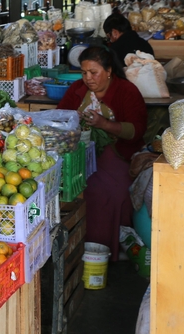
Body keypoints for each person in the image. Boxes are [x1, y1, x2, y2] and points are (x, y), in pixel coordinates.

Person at [57, 46, 148, 261]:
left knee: (112, 192)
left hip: (117, 152)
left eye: (94, 72)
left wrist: (104, 124)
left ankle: (112, 247)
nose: (88, 78)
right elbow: (60, 119)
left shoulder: (126, 91)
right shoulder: (77, 90)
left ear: (108, 71)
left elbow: (136, 130)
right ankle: (78, 249)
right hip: (80, 154)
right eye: (84, 72)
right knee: (77, 190)